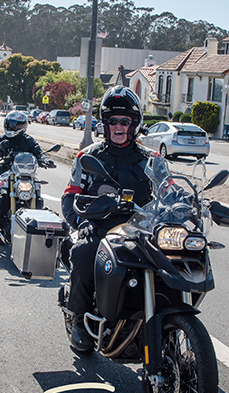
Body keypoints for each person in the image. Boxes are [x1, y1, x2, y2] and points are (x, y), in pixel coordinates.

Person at [60, 86, 156, 351]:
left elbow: (170, 191)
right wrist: (83, 223)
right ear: (105, 123)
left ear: (134, 124)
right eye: (112, 120)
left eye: (124, 121)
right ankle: (79, 318)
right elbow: (69, 198)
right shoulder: (88, 156)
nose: (118, 126)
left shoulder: (152, 160)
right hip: (100, 228)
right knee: (82, 253)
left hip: (141, 232)